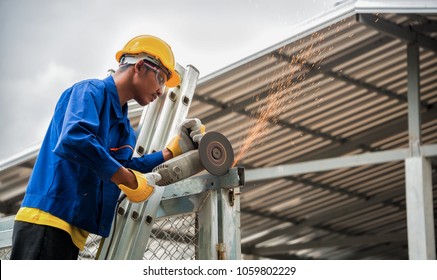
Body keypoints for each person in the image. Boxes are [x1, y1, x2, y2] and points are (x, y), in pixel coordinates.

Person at [10, 35, 205, 260]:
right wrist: (128, 179)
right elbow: (75, 138)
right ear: (140, 67)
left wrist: (173, 151)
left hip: (71, 233)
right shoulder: (89, 92)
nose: (161, 91)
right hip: (45, 221)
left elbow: (120, 167)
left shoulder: (123, 129)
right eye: (161, 78)